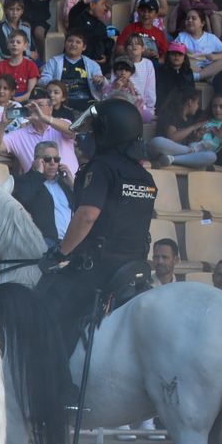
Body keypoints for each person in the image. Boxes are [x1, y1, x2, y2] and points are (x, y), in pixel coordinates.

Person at [38, 98, 156, 346]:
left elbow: (87, 216)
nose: (89, 135)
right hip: (135, 268)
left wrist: (60, 253)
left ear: (106, 133)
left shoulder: (101, 168)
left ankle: (55, 381)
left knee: (44, 308)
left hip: (98, 270)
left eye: (94, 130)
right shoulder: (144, 176)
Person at [11, 141, 72, 245]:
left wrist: (72, 184)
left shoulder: (64, 183)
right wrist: (38, 174)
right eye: (47, 159)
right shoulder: (23, 181)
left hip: (71, 241)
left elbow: (83, 208)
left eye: (56, 159)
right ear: (36, 160)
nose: (53, 163)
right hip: (44, 242)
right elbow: (22, 199)